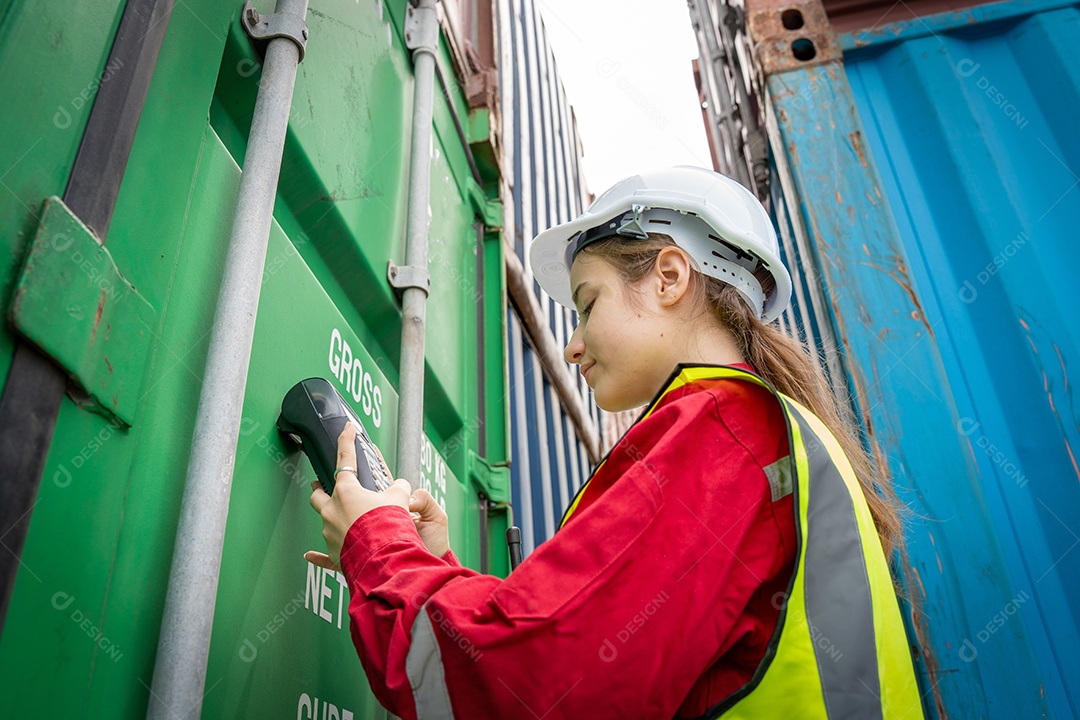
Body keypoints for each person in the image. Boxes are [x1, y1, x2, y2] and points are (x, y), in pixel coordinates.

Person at [306, 166, 926, 719]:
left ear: (669, 277)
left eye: (587, 304)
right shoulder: (774, 434)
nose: (573, 346)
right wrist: (434, 568)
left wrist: (378, 547)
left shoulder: (721, 432)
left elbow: (522, 687)